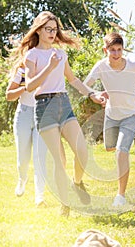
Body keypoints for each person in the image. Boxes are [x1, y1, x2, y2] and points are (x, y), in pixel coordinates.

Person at [14, 11, 106, 216]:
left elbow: (72, 80)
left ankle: (77, 183)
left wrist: (92, 94)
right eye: (48, 29)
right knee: (60, 160)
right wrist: (48, 67)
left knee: (82, 150)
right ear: (38, 30)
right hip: (44, 106)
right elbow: (29, 86)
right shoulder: (32, 55)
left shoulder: (61, 54)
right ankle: (65, 204)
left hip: (63, 104)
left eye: (54, 29)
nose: (52, 33)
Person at [84, 32, 135, 206]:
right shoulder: (101, 67)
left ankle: (120, 196)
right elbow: (85, 85)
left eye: (119, 50)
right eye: (112, 50)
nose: (116, 54)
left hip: (131, 114)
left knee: (121, 151)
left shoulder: (133, 66)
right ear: (105, 50)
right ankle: (118, 153)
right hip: (111, 114)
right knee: (110, 148)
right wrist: (95, 94)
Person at [6, 62, 47, 207]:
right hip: (24, 114)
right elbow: (9, 95)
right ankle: (22, 179)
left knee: (39, 155)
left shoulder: (47, 68)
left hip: (42, 114)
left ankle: (39, 196)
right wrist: (25, 87)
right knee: (23, 157)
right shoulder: (22, 71)